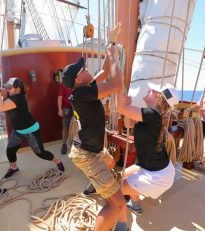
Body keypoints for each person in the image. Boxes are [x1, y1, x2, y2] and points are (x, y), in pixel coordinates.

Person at [62, 24, 126, 231]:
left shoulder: (84, 89)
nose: (86, 68)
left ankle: (96, 181)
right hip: (86, 154)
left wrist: (112, 43)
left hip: (91, 150)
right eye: (82, 69)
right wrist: (111, 53)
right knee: (116, 203)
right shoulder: (82, 93)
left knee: (110, 160)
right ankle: (98, 182)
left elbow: (105, 70)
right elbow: (116, 83)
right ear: (77, 79)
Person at [115, 82, 179, 231]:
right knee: (120, 177)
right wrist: (128, 106)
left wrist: (117, 85)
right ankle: (135, 205)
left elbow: (120, 108)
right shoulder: (152, 114)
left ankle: (122, 226)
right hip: (152, 168)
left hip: (156, 176)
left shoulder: (153, 115)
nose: (149, 89)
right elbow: (129, 124)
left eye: (153, 90)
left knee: (115, 191)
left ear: (157, 98)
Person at [0, 77, 65, 179]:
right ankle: (13, 168)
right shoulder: (12, 94)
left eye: (9, 88)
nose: (7, 90)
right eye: (7, 87)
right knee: (10, 150)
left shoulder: (18, 98)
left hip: (31, 130)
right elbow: (0, 91)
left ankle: (58, 161)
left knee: (41, 153)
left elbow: (0, 107)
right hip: (18, 130)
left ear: (17, 89)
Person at [57, 82, 73, 154]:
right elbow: (60, 97)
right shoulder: (64, 83)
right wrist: (60, 110)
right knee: (65, 127)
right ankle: (64, 144)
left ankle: (75, 145)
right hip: (67, 108)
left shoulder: (80, 81)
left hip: (77, 107)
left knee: (77, 127)